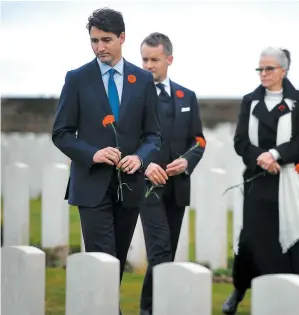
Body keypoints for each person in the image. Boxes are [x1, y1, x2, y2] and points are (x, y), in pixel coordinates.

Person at [52, 8, 161, 314]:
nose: (99, 47)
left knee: (115, 264)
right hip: (91, 185)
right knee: (102, 259)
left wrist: (139, 159)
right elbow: (61, 133)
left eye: (106, 39)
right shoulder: (77, 79)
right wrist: (93, 153)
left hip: (129, 187)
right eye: (94, 40)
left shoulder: (141, 79)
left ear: (122, 38)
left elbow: (153, 135)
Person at [222, 47, 299, 315]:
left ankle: (296, 293)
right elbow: (240, 141)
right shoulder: (250, 101)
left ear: (283, 71)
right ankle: (240, 288)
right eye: (260, 69)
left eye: (269, 69)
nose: (263, 74)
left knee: (294, 238)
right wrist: (261, 158)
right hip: (258, 179)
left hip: (289, 180)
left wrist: (275, 154)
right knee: (251, 238)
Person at [138, 32, 205, 315]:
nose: (148, 65)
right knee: (160, 251)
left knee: (166, 252)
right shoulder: (135, 96)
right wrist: (143, 165)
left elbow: (199, 140)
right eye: (144, 59)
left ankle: (148, 308)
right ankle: (153, 309)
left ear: (169, 59)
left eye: (155, 59)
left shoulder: (186, 96)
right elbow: (127, 140)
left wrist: (187, 162)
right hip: (146, 185)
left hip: (177, 187)